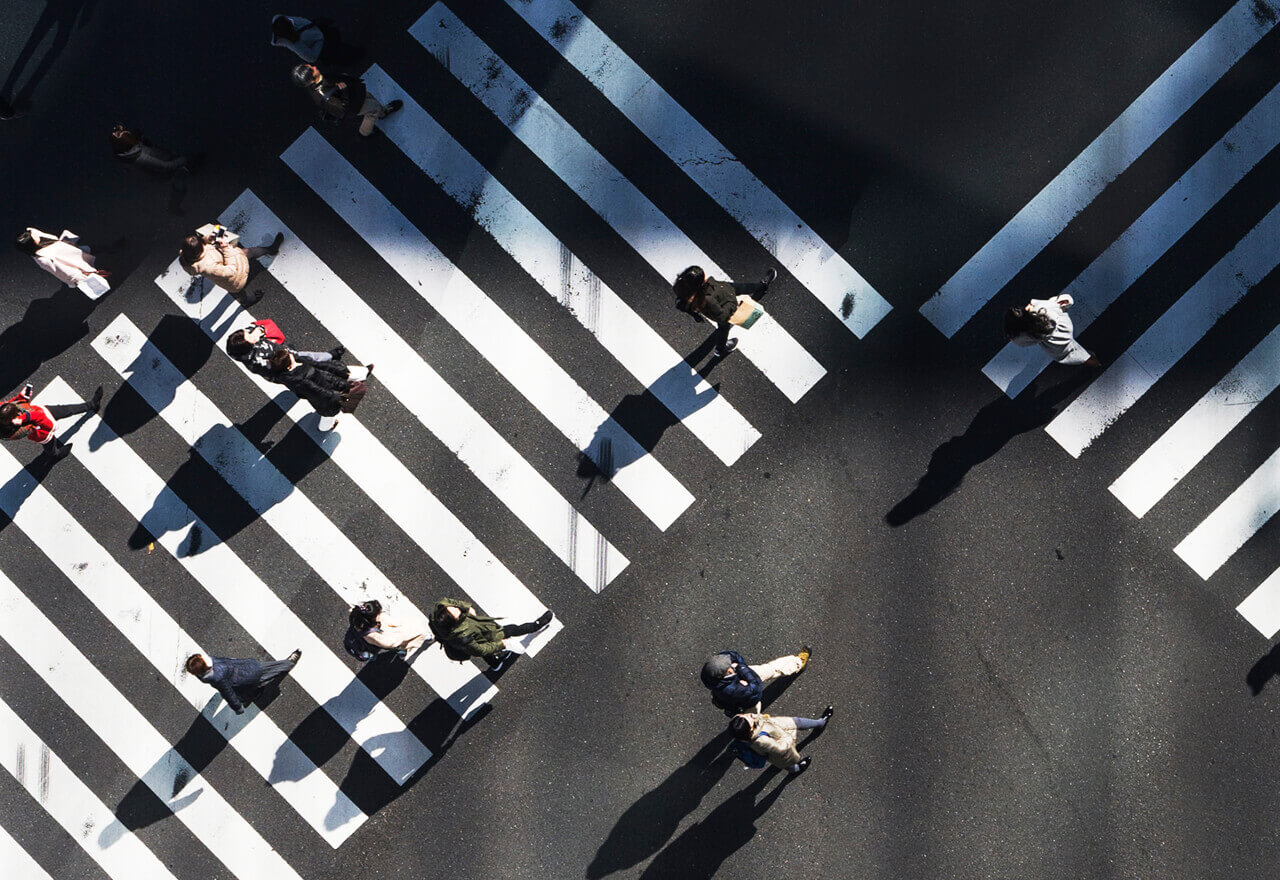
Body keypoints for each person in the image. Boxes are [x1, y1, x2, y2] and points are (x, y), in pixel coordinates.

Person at [674, 265, 778, 358]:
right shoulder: (708, 300)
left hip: (723, 290)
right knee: (723, 328)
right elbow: (723, 316)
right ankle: (720, 349)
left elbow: (680, 304)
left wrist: (694, 314)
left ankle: (762, 286)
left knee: (743, 287)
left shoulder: (682, 287)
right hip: (724, 298)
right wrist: (732, 304)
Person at [429, 598, 553, 673]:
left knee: (487, 654)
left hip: (481, 633)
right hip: (490, 635)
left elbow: (452, 602)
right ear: (455, 622)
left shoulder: (441, 609)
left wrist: (467, 608)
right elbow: (480, 650)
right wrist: (502, 644)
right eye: (456, 612)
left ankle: (495, 664)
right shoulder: (463, 637)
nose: (457, 608)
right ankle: (537, 626)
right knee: (513, 629)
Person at [267, 349, 370, 430]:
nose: (291, 354)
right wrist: (336, 395)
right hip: (328, 390)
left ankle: (362, 373)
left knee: (327, 412)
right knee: (328, 412)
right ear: (289, 365)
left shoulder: (290, 372)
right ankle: (325, 427)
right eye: (289, 355)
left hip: (327, 380)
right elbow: (319, 391)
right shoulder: (300, 379)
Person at [179, 225, 283, 305]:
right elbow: (231, 271)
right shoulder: (208, 267)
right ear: (199, 251)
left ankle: (271, 249)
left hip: (230, 260)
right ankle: (246, 300)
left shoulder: (186, 257)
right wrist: (226, 248)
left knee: (249, 252)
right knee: (238, 289)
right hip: (234, 274)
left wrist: (208, 238)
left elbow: (202, 244)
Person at [291, 63, 402, 137]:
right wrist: (344, 91)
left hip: (355, 93)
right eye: (312, 69)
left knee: (371, 99)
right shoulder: (324, 95)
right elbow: (341, 110)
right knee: (373, 109)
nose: (314, 67)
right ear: (312, 80)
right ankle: (365, 132)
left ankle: (381, 113)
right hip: (354, 104)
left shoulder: (315, 82)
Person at [0, 383, 103, 460]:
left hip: (40, 412)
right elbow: (43, 421)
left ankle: (91, 405)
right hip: (40, 430)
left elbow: (11, 404)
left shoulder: (5, 413)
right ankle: (56, 455)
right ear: (13, 418)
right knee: (50, 444)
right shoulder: (16, 430)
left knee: (66, 410)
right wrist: (24, 418)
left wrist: (22, 397)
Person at [185, 650, 301, 715]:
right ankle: (289, 663)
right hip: (248, 675)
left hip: (240, 681)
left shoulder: (204, 673)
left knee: (245, 694)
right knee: (270, 671)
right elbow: (227, 693)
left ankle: (251, 697)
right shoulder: (217, 676)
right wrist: (237, 708)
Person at [701, 647, 811, 716]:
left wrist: (740, 667)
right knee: (752, 721)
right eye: (729, 666)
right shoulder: (732, 690)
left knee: (773, 668)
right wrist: (741, 668)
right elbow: (756, 689)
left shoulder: (709, 673)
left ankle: (798, 662)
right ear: (724, 674)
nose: (730, 663)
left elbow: (733, 654)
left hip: (745, 676)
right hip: (748, 700)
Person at [225, 319, 343, 381]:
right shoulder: (258, 361)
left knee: (310, 359)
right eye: (250, 337)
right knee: (311, 362)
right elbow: (278, 366)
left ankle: (329, 358)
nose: (252, 334)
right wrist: (288, 356)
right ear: (248, 347)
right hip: (288, 363)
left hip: (283, 355)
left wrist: (259, 329)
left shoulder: (240, 349)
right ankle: (331, 358)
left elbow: (251, 329)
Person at [729, 707, 833, 775]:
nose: (749, 715)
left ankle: (820, 723)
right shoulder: (761, 741)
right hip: (780, 737)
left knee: (798, 722)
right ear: (751, 728)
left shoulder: (741, 731)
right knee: (787, 763)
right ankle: (796, 769)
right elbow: (782, 749)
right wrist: (789, 736)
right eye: (748, 718)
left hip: (775, 727)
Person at [1004, 295, 1100, 367]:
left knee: (1072, 354)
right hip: (1064, 326)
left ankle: (1095, 363)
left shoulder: (1021, 336)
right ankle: (1097, 362)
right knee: (1054, 301)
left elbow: (1024, 343)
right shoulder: (1042, 309)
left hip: (1055, 343)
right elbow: (1058, 304)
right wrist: (1033, 306)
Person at [16, 227, 110, 296]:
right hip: (74, 260)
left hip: (73, 250)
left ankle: (111, 248)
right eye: (32, 236)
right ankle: (112, 249)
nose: (34, 233)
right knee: (92, 253)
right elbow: (63, 271)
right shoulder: (43, 259)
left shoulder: (37, 238)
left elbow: (32, 230)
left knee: (93, 249)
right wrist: (84, 276)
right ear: (32, 243)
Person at [348, 600, 430, 659]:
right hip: (378, 641)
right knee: (399, 646)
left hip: (362, 637)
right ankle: (402, 652)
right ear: (372, 619)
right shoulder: (373, 635)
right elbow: (390, 643)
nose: (381, 614)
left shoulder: (357, 616)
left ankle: (401, 652)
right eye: (379, 613)